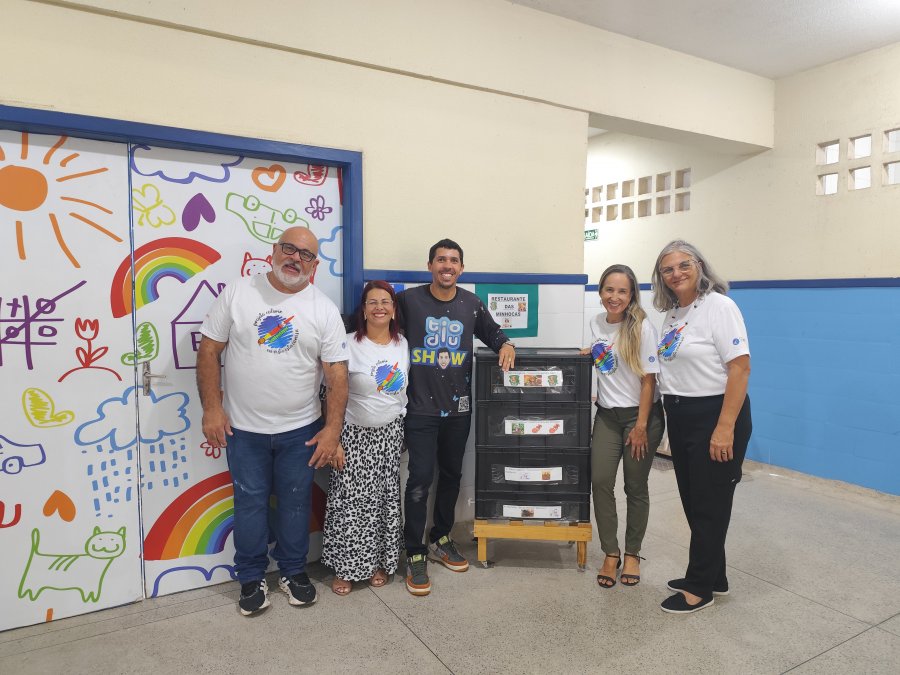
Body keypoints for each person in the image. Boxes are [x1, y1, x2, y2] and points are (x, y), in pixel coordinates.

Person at [197, 226, 349, 616]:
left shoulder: (323, 309)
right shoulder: (238, 293)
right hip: (243, 430)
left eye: (306, 254)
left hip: (301, 431)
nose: (295, 258)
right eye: (289, 248)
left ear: (314, 265)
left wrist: (332, 430)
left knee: (296, 504)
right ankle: (251, 577)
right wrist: (212, 408)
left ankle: (294, 572)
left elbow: (336, 374)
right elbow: (209, 350)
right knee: (249, 504)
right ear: (274, 250)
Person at [397, 238, 515, 596]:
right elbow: (377, 325)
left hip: (458, 410)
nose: (447, 266)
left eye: (453, 261)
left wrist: (507, 344)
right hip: (419, 409)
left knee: (451, 475)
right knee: (419, 480)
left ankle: (441, 537)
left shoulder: (471, 304)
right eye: (441, 259)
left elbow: (494, 334)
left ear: (461, 268)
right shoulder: (408, 301)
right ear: (430, 266)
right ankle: (414, 550)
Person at [651, 240, 752, 614]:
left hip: (715, 414)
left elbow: (740, 368)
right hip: (682, 416)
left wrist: (724, 428)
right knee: (695, 501)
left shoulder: (719, 307)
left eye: (684, 265)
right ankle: (715, 577)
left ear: (699, 266)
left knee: (710, 504)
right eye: (667, 269)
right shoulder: (674, 313)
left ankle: (699, 588)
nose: (676, 273)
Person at [321, 280, 409, 596]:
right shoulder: (346, 344)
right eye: (372, 302)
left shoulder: (402, 344)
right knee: (351, 504)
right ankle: (346, 569)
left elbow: (402, 393)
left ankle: (377, 564)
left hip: (390, 436)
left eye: (385, 302)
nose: (379, 307)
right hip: (353, 436)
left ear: (394, 309)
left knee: (383, 503)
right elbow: (328, 392)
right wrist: (333, 438)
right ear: (363, 309)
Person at [585, 264, 665, 589]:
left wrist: (641, 426)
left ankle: (632, 553)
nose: (614, 296)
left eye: (622, 291)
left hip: (640, 418)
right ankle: (610, 552)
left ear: (631, 295)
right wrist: (587, 353)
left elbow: (649, 380)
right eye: (609, 289)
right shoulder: (596, 322)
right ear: (600, 292)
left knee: (635, 486)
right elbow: (604, 353)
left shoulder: (643, 328)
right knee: (601, 481)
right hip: (607, 415)